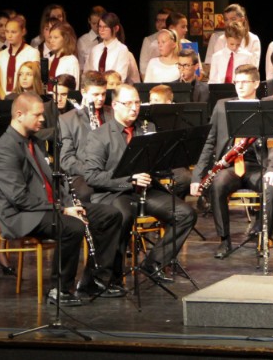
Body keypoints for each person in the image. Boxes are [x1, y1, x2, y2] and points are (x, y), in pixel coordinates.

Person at [0, 92, 125, 305]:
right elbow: (19, 198)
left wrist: (69, 204)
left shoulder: (34, 140)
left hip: (48, 207)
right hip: (22, 215)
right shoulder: (5, 149)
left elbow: (54, 182)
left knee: (110, 214)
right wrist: (62, 209)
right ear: (19, 115)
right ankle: (59, 289)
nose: (43, 119)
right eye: (37, 115)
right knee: (72, 226)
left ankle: (94, 280)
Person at [79, 84, 197, 284]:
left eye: (137, 103)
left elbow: (156, 164)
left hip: (145, 190)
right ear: (115, 105)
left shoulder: (147, 128)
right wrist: (129, 180)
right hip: (115, 192)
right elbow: (92, 176)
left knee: (185, 213)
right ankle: (110, 277)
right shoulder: (99, 135)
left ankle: (153, 263)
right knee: (122, 216)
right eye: (128, 103)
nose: (134, 108)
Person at [190, 64, 273, 258]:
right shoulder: (222, 106)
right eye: (237, 82)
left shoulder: (265, 108)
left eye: (245, 82)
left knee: (271, 188)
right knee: (217, 185)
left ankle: (264, 237)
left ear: (256, 83)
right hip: (230, 166)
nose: (239, 86)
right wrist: (197, 176)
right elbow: (210, 141)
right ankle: (224, 240)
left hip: (257, 166)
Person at [57, 71, 111, 203]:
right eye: (95, 94)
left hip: (110, 171)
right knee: (87, 193)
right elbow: (66, 159)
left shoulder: (114, 113)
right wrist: (91, 171)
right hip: (83, 175)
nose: (101, 98)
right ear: (83, 92)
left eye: (103, 94)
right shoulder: (67, 119)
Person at [203, 4, 261, 72]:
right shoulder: (221, 39)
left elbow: (254, 67)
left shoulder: (253, 39)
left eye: (233, 19)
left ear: (242, 19)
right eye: (226, 20)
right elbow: (215, 66)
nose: (229, 22)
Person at [0, 15, 38, 99]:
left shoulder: (32, 52)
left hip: (25, 99)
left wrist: (20, 101)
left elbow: (35, 80)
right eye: (7, 31)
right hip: (5, 99)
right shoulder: (1, 54)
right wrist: (6, 100)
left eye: (13, 32)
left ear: (23, 32)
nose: (9, 36)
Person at [43, 21, 80, 92]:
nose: (51, 41)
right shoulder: (50, 59)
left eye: (56, 37)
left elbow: (74, 88)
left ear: (65, 39)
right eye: (50, 37)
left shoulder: (71, 60)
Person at [138, 7, 173, 74]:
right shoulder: (148, 40)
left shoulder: (181, 41)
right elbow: (143, 68)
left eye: (163, 20)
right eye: (157, 20)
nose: (160, 23)